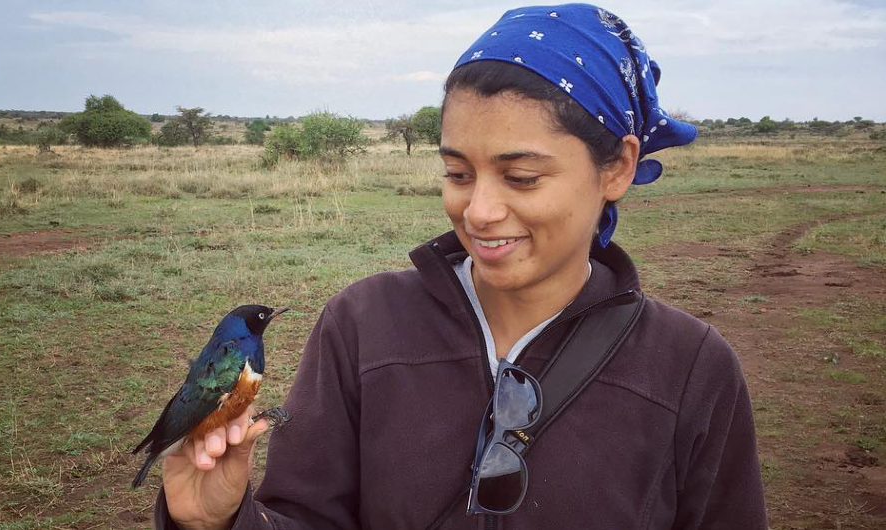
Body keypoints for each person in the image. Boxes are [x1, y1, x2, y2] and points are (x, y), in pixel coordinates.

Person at [154, 4, 767, 529]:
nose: (478, 211)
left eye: (521, 176)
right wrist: (223, 522)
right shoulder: (362, 324)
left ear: (618, 168)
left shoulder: (692, 368)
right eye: (456, 173)